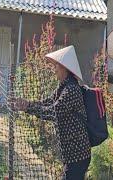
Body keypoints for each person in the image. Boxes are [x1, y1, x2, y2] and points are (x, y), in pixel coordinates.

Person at [12, 46, 91, 180]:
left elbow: (54, 111)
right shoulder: (64, 86)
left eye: (56, 67)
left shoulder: (72, 89)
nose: (54, 71)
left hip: (78, 154)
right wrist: (27, 103)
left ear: (64, 68)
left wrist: (28, 108)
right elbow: (47, 102)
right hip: (72, 154)